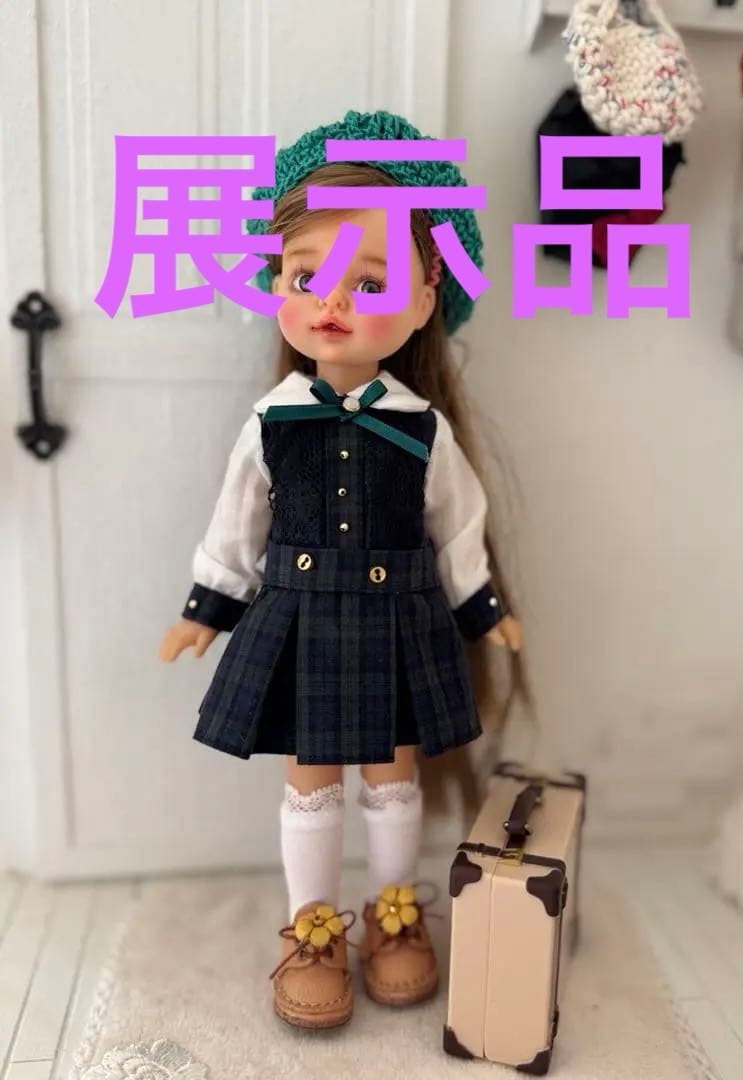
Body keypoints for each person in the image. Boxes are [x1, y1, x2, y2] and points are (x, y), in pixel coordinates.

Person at [159, 109, 524, 1031]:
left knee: (392, 775)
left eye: (371, 281)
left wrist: (485, 609)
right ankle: (313, 929)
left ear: (427, 296)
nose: (333, 301)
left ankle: (393, 914)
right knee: (312, 775)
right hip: (301, 616)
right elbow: (237, 521)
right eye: (306, 275)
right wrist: (207, 605)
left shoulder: (422, 428)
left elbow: (458, 526)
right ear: (275, 282)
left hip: (400, 620)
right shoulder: (272, 421)